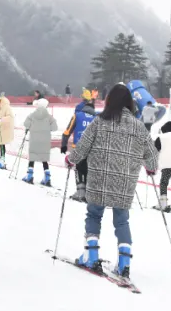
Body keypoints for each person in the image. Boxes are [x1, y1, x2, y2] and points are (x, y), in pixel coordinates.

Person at [65, 84, 157, 278]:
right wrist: (150, 167)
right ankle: (124, 262)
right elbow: (151, 153)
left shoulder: (100, 121)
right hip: (125, 182)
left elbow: (83, 146)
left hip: (99, 178)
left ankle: (91, 255)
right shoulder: (138, 126)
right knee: (122, 221)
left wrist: (70, 159)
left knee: (94, 215)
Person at [61, 90, 98, 202]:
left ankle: (80, 192)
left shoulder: (77, 115)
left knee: (78, 168)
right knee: (89, 169)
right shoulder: (97, 118)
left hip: (78, 146)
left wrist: (63, 145)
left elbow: (67, 131)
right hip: (92, 148)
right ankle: (88, 193)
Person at [22, 98, 58, 186]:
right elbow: (55, 127)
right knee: (44, 158)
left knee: (32, 157)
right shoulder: (49, 116)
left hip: (34, 138)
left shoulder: (32, 115)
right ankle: (47, 177)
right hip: (45, 140)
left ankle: (29, 175)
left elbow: (26, 124)